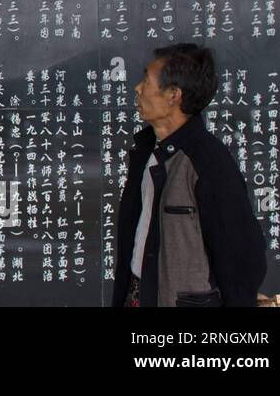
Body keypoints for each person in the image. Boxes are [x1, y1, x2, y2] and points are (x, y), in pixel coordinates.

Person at [112, 43, 267, 307]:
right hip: (139, 294)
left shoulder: (208, 162)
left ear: (173, 95)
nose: (138, 89)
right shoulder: (147, 151)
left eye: (146, 80)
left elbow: (243, 255)